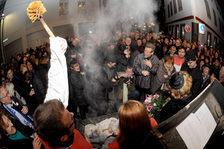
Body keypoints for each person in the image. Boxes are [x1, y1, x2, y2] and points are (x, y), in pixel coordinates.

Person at [44, 37, 69, 107]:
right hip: (54, 106)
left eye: (64, 47)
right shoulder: (54, 65)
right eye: (61, 46)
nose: (63, 48)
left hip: (60, 106)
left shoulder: (61, 60)